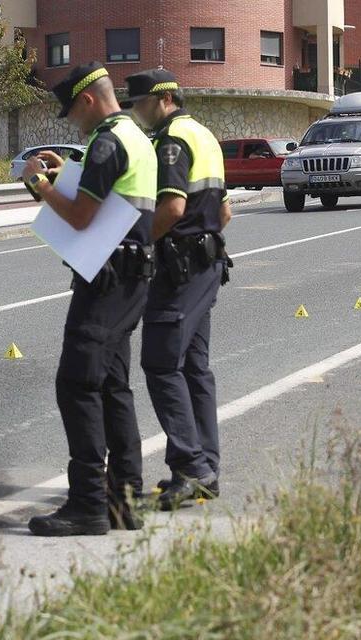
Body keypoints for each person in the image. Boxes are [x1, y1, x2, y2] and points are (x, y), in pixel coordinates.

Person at [21, 63, 157, 536]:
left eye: (72, 114)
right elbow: (117, 195)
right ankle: (125, 499)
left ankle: (87, 505)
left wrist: (41, 186)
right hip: (133, 276)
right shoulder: (135, 135)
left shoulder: (105, 141)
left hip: (106, 280)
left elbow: (81, 217)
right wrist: (69, 174)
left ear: (88, 101)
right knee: (112, 385)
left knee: (76, 383)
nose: (73, 123)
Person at [123, 69, 232, 510]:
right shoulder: (204, 135)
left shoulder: (170, 142)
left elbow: (171, 207)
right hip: (204, 267)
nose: (137, 111)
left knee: (162, 364)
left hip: (179, 271)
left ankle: (192, 467)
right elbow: (224, 212)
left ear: (164, 99)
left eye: (141, 103)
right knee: (193, 369)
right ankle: (204, 467)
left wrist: (137, 242)